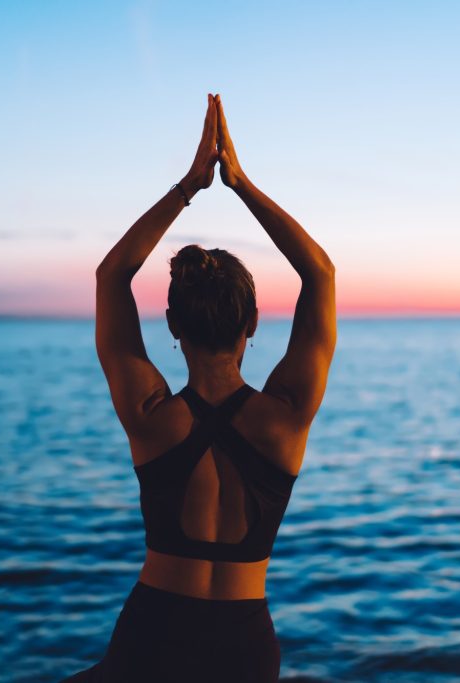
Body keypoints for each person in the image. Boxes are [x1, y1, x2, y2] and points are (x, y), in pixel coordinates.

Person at [62, 93, 335, 682]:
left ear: (173, 325)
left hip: (154, 631)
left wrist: (190, 185)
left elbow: (113, 275)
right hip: (244, 644)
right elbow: (320, 272)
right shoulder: (284, 418)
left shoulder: (149, 414)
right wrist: (238, 182)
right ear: (253, 324)